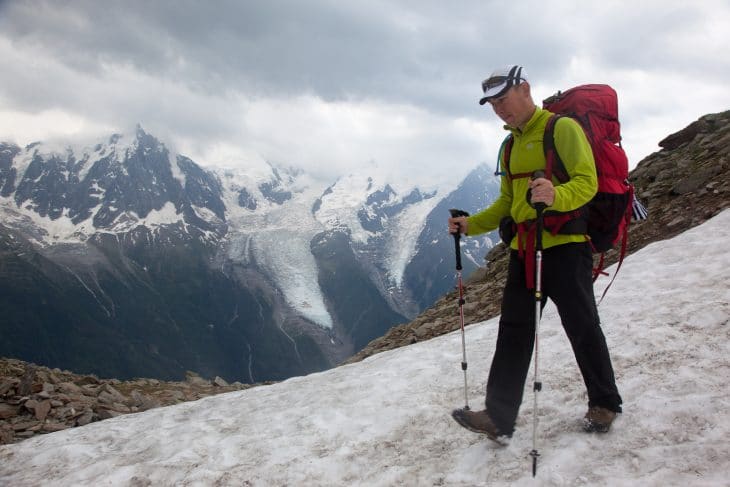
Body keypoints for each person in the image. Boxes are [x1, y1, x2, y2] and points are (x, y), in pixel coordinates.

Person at [448, 65, 622, 443]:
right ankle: (498, 416)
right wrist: (470, 225)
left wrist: (555, 195)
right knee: (513, 331)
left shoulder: (561, 129)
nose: (498, 109)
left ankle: (605, 403)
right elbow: (507, 205)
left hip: (565, 249)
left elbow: (587, 183)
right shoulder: (509, 145)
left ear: (524, 89)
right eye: (492, 104)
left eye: (503, 100)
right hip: (525, 250)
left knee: (582, 327)